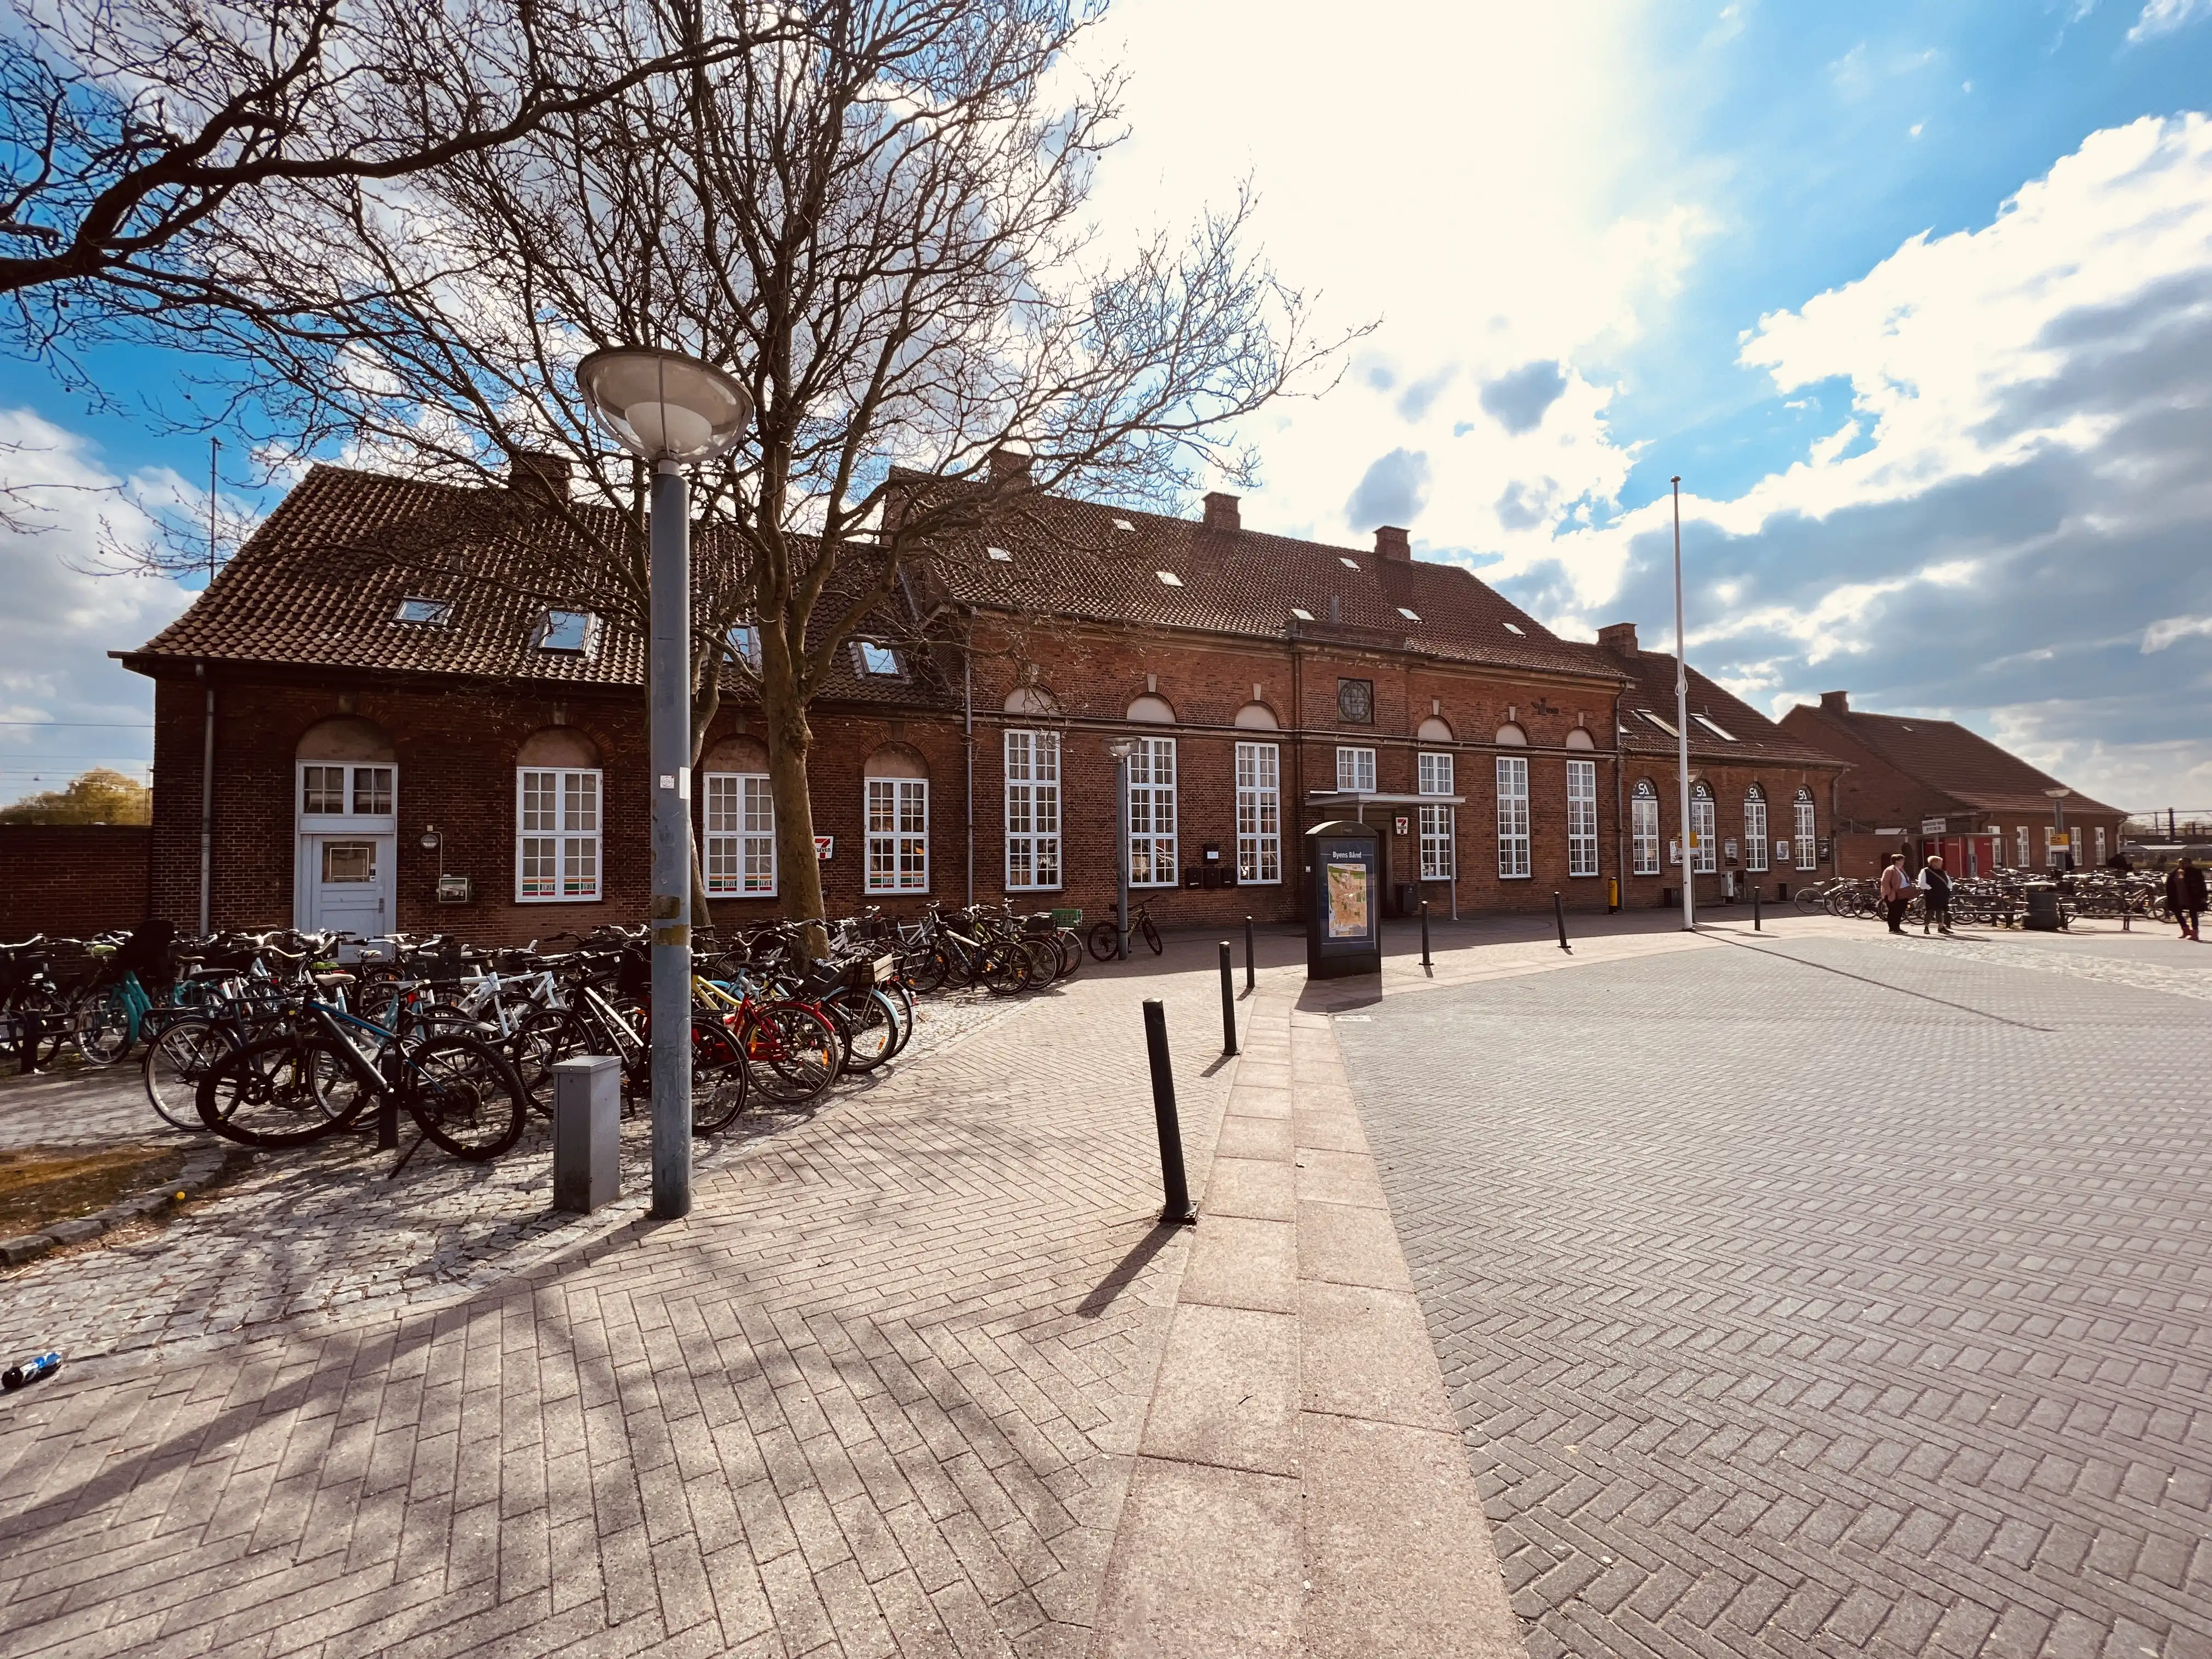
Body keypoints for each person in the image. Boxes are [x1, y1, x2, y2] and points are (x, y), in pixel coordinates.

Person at [2170, 856, 2206, 942]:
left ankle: (2195, 933)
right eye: (2179, 863)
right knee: (2177, 912)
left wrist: (2203, 897)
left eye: (2182, 863)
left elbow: (2201, 885)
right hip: (2179, 897)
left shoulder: (2195, 872)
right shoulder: (2175, 872)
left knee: (2193, 914)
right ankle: (2186, 929)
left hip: (2192, 897)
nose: (2180, 865)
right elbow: (2171, 883)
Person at [1918, 854, 1953, 934]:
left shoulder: (1942, 872)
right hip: (1931, 894)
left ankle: (1941, 927)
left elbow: (1948, 882)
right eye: (1940, 862)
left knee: (1940, 910)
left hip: (1942, 894)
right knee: (1930, 910)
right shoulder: (1926, 871)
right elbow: (1922, 883)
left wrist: (1948, 889)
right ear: (1934, 863)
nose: (1942, 864)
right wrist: (1931, 889)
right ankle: (1926, 927)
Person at [1879, 852, 1912, 934]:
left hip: (1902, 893)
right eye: (1902, 860)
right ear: (1897, 861)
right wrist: (1889, 893)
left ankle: (1897, 927)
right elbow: (1885, 882)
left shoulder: (1901, 869)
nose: (1904, 862)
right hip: (1894, 894)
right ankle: (1893, 928)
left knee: (1900, 911)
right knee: (1894, 911)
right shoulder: (1890, 870)